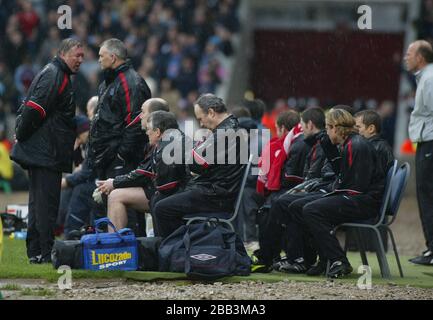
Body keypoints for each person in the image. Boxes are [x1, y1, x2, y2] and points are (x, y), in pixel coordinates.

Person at [11, 38, 84, 263]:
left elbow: (33, 107)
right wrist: (21, 134)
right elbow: (34, 108)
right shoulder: (55, 75)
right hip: (46, 153)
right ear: (63, 54)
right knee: (46, 204)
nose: (81, 60)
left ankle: (36, 252)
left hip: (44, 151)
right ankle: (45, 252)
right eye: (77, 55)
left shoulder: (54, 73)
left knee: (38, 203)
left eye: (83, 56)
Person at [153, 93, 245, 238]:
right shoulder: (229, 128)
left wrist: (192, 152)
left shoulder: (225, 133)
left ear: (211, 112)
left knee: (162, 208)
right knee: (160, 199)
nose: (201, 124)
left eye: (201, 119)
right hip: (215, 189)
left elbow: (196, 164)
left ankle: (172, 252)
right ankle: (175, 248)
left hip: (215, 195)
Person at [88, 38, 151, 180]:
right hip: (106, 158)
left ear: (113, 57)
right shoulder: (107, 83)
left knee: (115, 200)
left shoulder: (131, 83)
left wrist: (120, 156)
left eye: (101, 56)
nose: (98, 60)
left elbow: (135, 123)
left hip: (121, 161)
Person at [404, 40, 433, 265]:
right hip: (426, 142)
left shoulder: (430, 78)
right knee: (426, 195)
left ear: (420, 57)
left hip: (430, 143)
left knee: (427, 196)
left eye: (410, 53)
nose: (406, 57)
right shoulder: (425, 77)